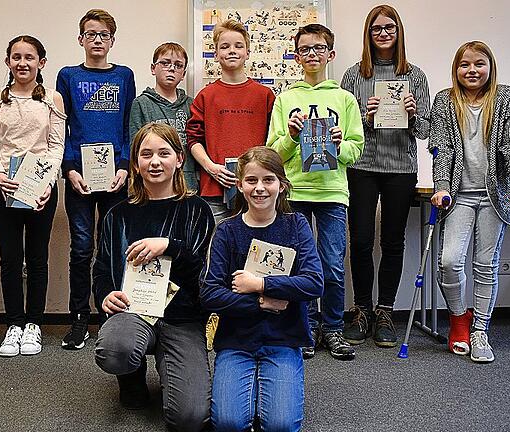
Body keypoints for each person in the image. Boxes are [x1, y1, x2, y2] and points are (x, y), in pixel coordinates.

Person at [93, 123, 214, 431]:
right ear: (135, 162)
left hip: (183, 318)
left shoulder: (197, 209)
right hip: (133, 312)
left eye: (164, 153)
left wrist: (170, 246)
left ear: (179, 159)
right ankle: (131, 378)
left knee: (189, 418)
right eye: (146, 154)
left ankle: (172, 362)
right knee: (115, 351)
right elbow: (102, 269)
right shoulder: (117, 214)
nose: (155, 162)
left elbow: (205, 272)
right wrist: (106, 295)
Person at [200, 146, 323, 431]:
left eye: (268, 180)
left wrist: (260, 284)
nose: (259, 188)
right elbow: (210, 293)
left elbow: (314, 282)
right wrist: (261, 302)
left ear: (281, 185)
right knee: (229, 423)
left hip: (283, 341)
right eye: (251, 180)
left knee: (280, 425)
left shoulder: (296, 225)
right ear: (240, 185)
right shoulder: (227, 231)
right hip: (236, 342)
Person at [266, 23, 364, 361]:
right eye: (305, 49)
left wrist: (340, 145)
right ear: (296, 56)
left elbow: (357, 149)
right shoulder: (286, 99)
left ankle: (333, 329)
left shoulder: (345, 99)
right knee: (298, 266)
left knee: (332, 264)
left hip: (332, 193)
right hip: (295, 191)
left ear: (330, 54)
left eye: (318, 48)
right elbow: (273, 154)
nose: (312, 54)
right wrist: (292, 136)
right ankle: (305, 329)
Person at [430, 41, 510, 363]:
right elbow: (442, 149)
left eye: (479, 64)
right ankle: (459, 321)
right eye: (465, 65)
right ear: (456, 69)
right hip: (458, 195)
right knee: (449, 261)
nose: (472, 70)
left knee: (485, 266)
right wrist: (441, 186)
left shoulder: (506, 98)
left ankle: (480, 331)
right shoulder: (445, 101)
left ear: (490, 66)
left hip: (494, 196)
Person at [340, 5, 431, 348]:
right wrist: (365, 116)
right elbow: (346, 130)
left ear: (399, 31)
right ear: (368, 33)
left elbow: (425, 131)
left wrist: (410, 115)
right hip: (362, 167)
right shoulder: (354, 76)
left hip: (400, 170)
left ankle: (385, 312)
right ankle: (361, 309)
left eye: (389, 27)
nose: (383, 33)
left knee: (393, 243)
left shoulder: (415, 76)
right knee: (361, 241)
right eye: (376, 28)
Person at [56, 8, 136, 350]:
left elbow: (128, 126)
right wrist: (69, 169)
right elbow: (61, 127)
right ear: (80, 39)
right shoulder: (68, 76)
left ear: (112, 40)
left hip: (116, 177)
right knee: (81, 249)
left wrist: (125, 167)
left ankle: (111, 314)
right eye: (91, 34)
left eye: (104, 35)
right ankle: (78, 319)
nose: (97, 40)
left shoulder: (124, 76)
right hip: (79, 177)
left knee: (114, 249)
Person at [0, 35, 65, 357]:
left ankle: (34, 324)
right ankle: (13, 324)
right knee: (9, 259)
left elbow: (57, 145)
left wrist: (46, 182)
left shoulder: (52, 100)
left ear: (41, 63)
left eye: (29, 57)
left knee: (37, 258)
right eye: (16, 57)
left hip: (41, 187)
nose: (22, 63)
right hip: (5, 187)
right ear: (7, 62)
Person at [186, 19, 275, 221]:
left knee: (257, 249)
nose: (232, 51)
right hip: (215, 190)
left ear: (248, 53)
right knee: (217, 249)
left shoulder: (265, 95)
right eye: (224, 47)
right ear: (216, 54)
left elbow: (274, 141)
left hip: (257, 190)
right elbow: (193, 140)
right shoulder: (206, 96)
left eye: (238, 45)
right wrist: (211, 167)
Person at [129, 42, 198, 191]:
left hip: (187, 182)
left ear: (184, 74)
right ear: (153, 69)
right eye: (165, 63)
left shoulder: (192, 105)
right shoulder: (141, 104)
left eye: (178, 65)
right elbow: (134, 148)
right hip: (152, 183)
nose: (172, 68)